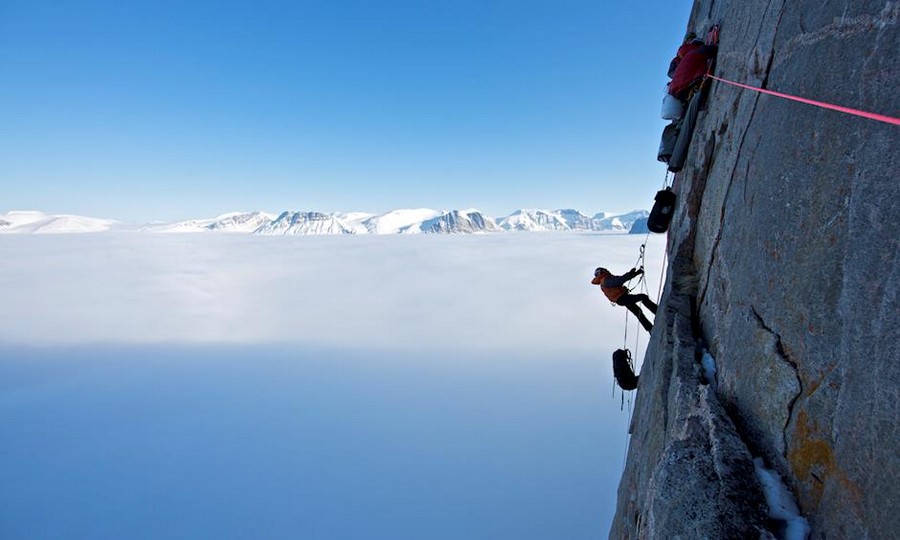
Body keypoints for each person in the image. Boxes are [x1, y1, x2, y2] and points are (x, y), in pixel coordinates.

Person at [591, 267, 658, 333]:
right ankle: (657, 311)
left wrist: (635, 273)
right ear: (601, 272)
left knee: (637, 311)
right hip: (622, 298)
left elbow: (620, 279)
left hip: (621, 299)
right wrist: (632, 274)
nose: (607, 270)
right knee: (643, 297)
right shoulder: (605, 280)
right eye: (605, 270)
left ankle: (650, 329)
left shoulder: (604, 280)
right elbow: (619, 280)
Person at [668, 35, 718, 101]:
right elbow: (707, 50)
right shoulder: (692, 53)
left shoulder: (682, 59)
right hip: (684, 88)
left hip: (675, 91)